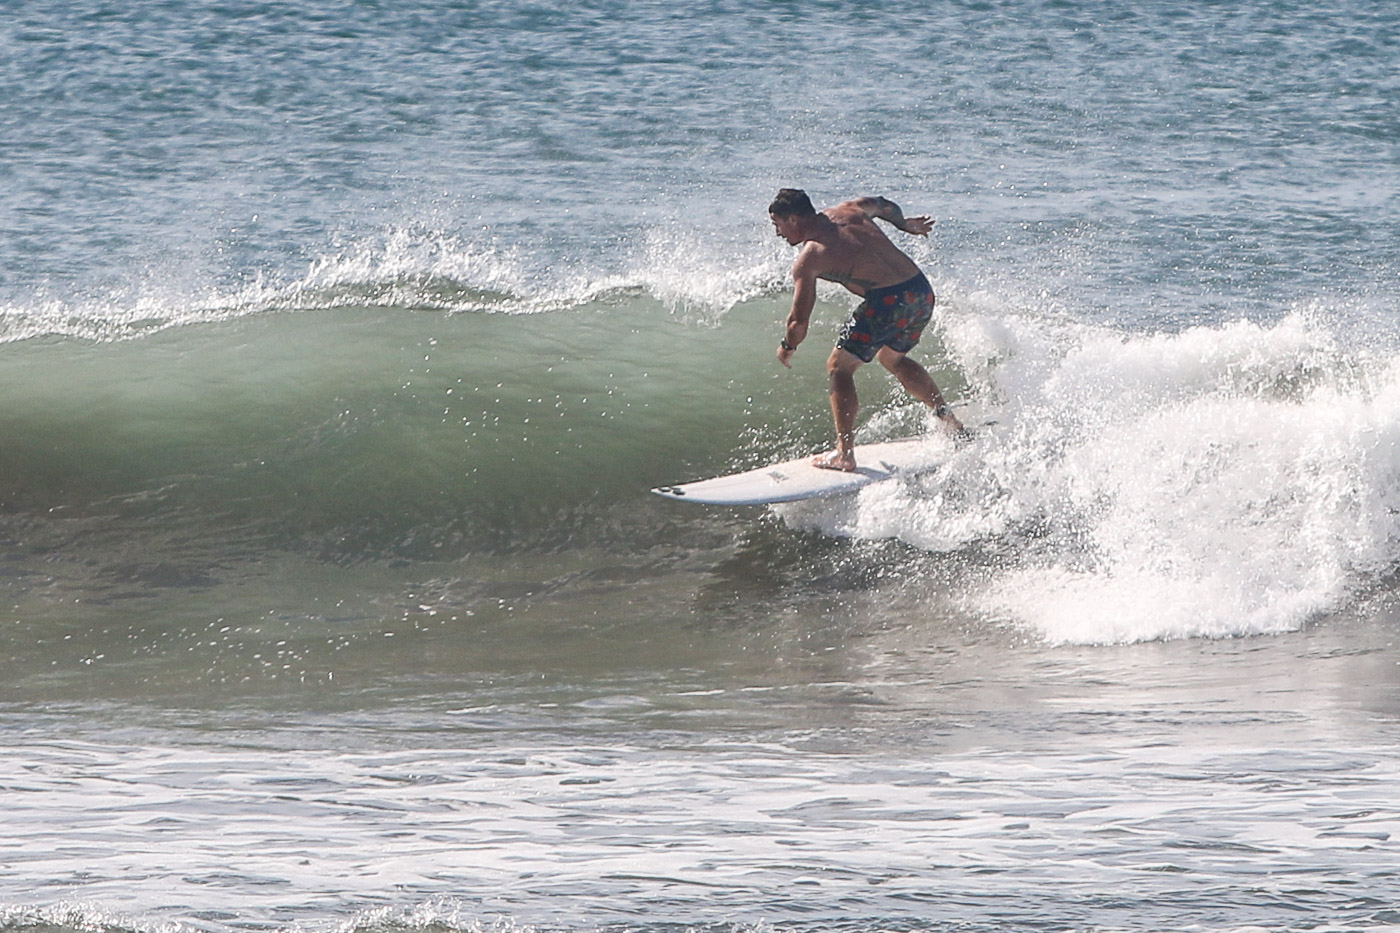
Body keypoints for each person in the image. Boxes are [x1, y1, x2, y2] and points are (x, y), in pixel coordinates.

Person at [769, 188, 965, 471]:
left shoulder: (810, 256)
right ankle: (951, 424)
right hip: (920, 291)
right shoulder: (850, 210)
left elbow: (798, 322)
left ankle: (844, 454)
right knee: (892, 358)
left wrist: (788, 347)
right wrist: (905, 225)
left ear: (795, 219)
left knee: (839, 367)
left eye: (778, 224)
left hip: (887, 301)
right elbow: (883, 205)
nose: (778, 233)